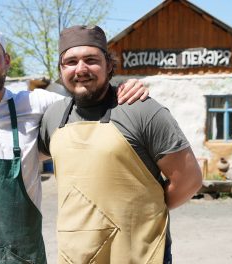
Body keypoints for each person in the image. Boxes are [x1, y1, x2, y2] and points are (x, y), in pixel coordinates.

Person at [0, 23, 148, 264]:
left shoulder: (37, 104)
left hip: (25, 257)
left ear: (7, 60)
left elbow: (86, 95)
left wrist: (122, 88)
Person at [38, 25, 203, 264]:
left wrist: (145, 213)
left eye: (91, 60)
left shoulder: (142, 110)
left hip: (139, 254)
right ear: (61, 70)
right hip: (77, 255)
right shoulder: (53, 116)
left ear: (108, 65)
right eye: (71, 62)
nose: (81, 69)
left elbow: (189, 180)